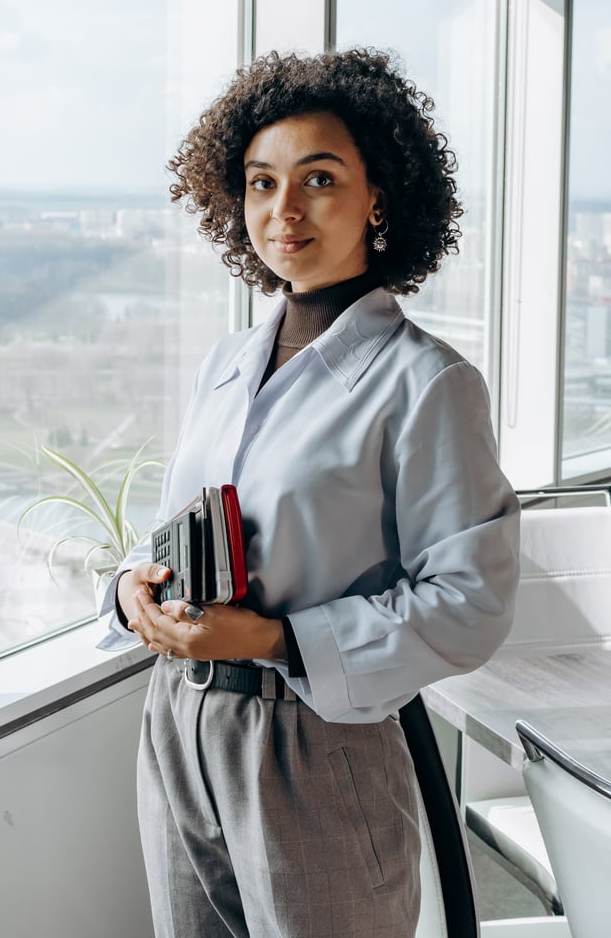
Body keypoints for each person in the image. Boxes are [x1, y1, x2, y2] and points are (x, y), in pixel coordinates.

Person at [99, 48, 520, 937]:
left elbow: (471, 603)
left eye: (318, 179)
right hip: (179, 726)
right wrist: (133, 584)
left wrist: (280, 637)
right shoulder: (226, 364)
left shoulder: (427, 384)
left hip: (316, 744)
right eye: (260, 182)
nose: (283, 211)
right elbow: (188, 524)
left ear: (378, 199)